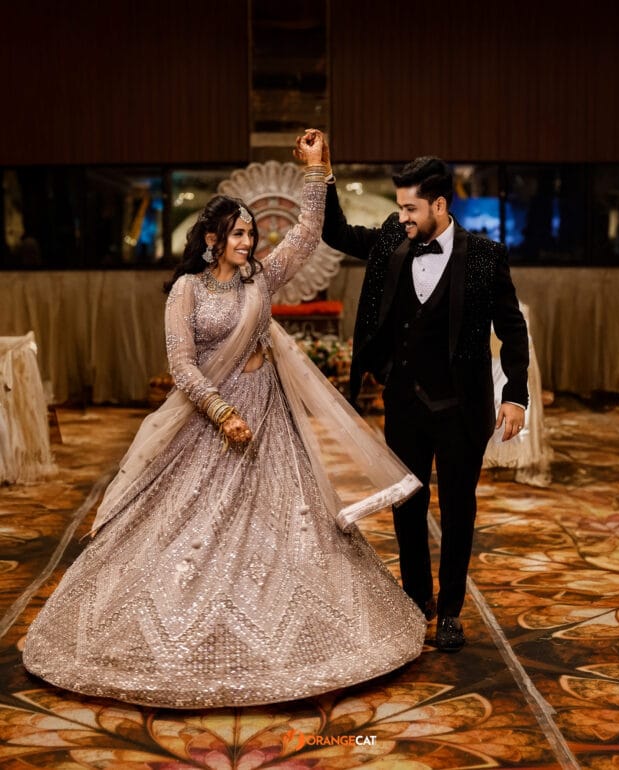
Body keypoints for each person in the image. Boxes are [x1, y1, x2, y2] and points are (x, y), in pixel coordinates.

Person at [22, 130, 426, 708]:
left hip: (271, 421)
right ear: (212, 240)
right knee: (188, 527)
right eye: (239, 234)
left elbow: (309, 235)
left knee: (290, 525)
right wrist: (220, 411)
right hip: (209, 423)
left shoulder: (262, 277)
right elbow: (182, 364)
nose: (249, 241)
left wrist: (320, 172)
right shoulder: (186, 289)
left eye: (252, 234)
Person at [322, 154, 529, 652]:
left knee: (459, 510)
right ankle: (417, 601)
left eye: (411, 208)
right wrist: (322, 175)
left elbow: (512, 327)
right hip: (405, 404)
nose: (402, 218)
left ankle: (451, 610)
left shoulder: (485, 255)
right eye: (399, 208)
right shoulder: (395, 240)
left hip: (462, 407)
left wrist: (516, 395)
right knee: (407, 508)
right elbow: (337, 234)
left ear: (439, 204)